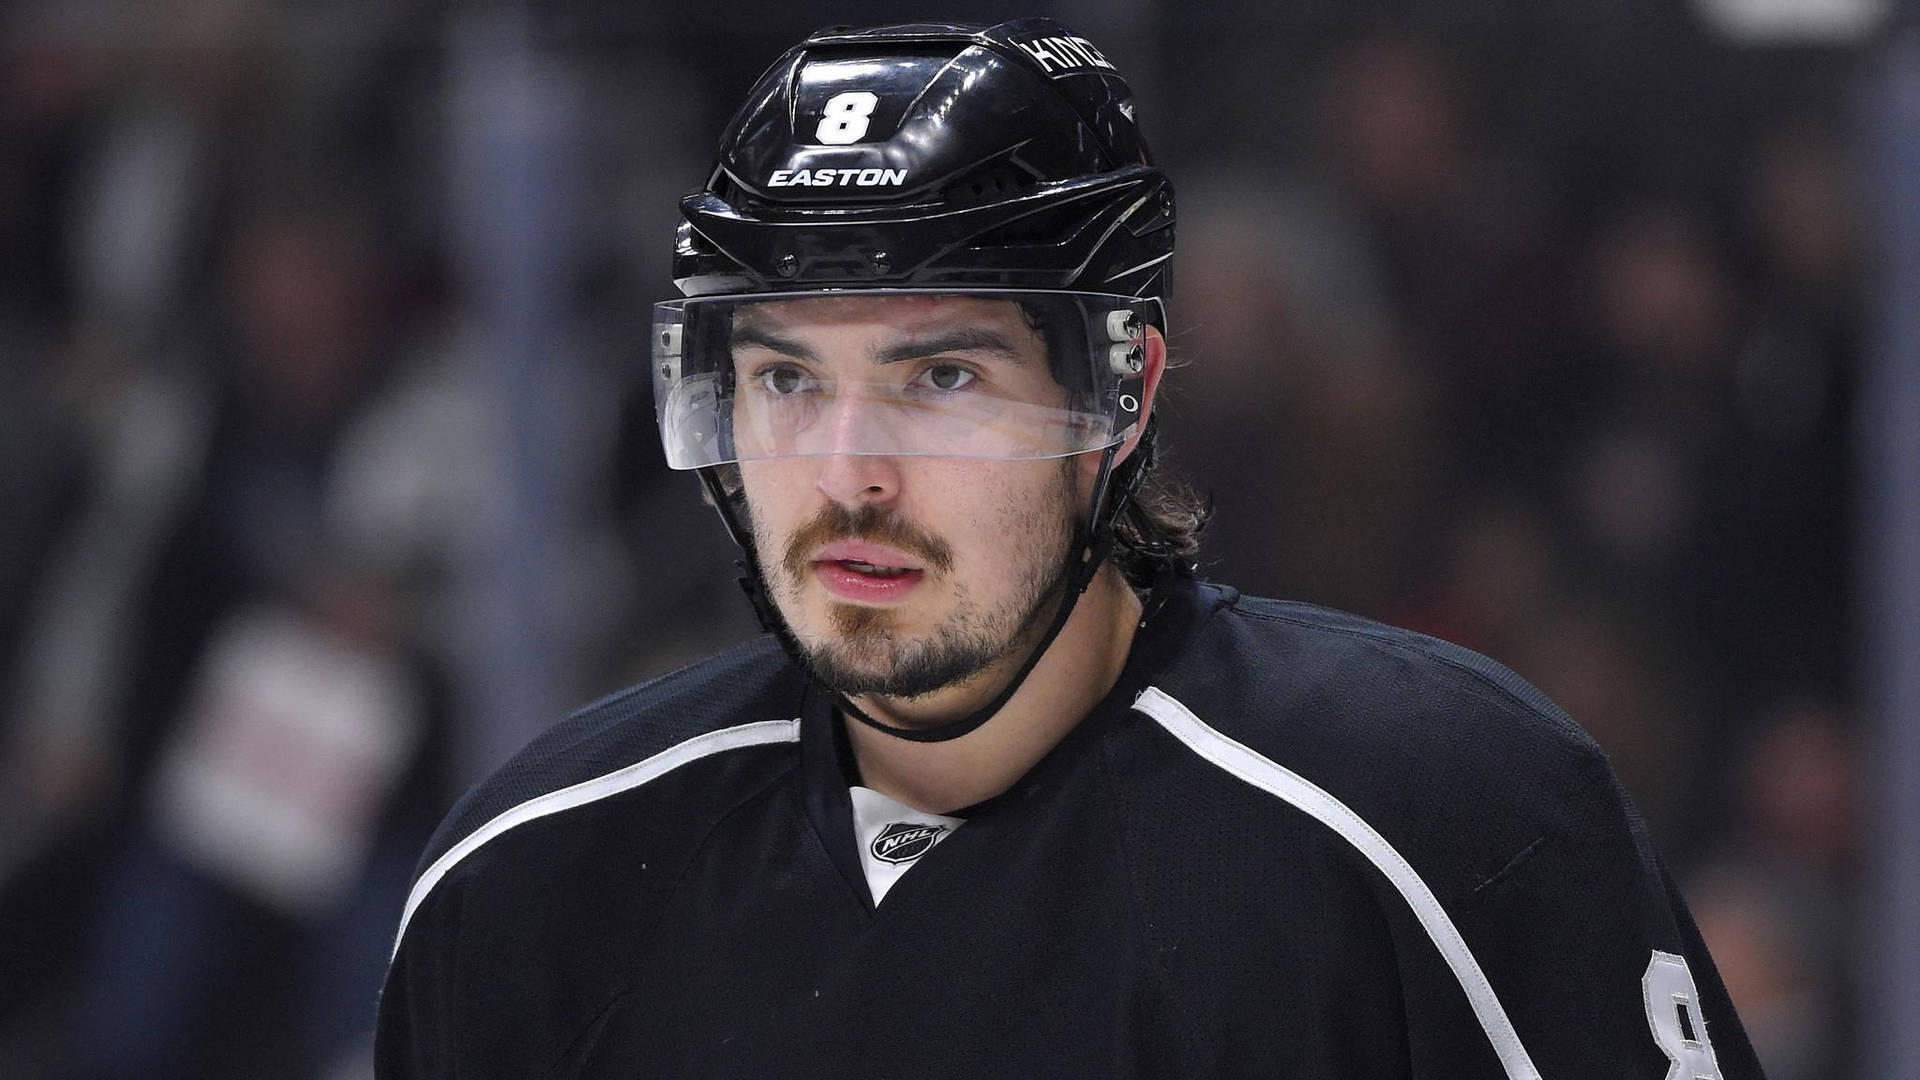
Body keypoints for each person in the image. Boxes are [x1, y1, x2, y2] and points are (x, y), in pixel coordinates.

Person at [375, 19, 1763, 1079]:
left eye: (943, 378)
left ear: (1123, 398)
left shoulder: (1451, 815)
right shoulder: (532, 882)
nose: (849, 471)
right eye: (789, 380)